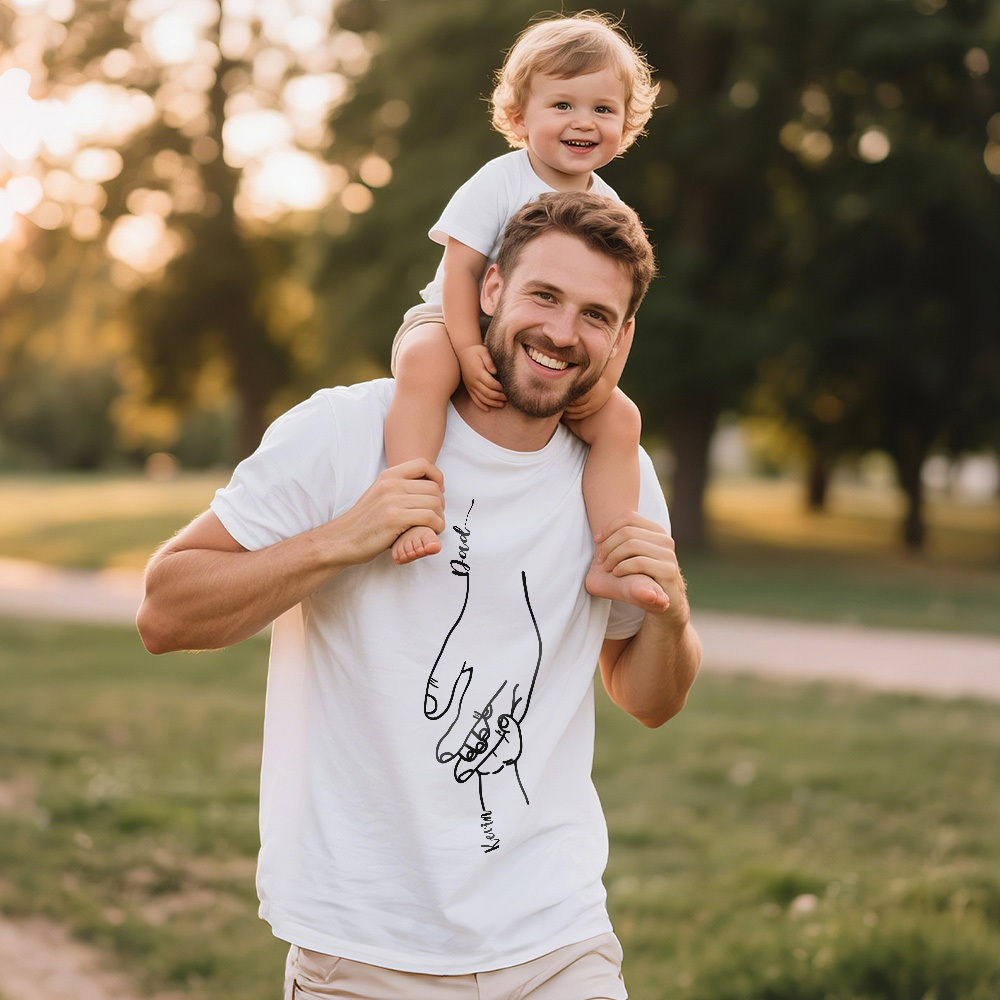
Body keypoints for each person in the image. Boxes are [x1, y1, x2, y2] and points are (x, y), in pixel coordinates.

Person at [137, 191, 701, 1000]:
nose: (562, 332)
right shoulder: (345, 432)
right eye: (544, 296)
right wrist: (344, 538)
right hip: (365, 951)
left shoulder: (619, 477)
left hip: (558, 939)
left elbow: (649, 700)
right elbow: (164, 611)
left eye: (595, 315)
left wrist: (670, 613)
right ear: (491, 288)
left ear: (623, 337)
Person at [385, 12, 667, 615]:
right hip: (453, 320)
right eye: (562, 105)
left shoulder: (611, 209)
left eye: (603, 109)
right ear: (519, 117)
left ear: (625, 124)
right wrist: (468, 348)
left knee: (621, 421)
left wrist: (604, 384)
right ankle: (407, 504)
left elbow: (620, 311)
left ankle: (612, 556)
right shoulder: (498, 181)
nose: (583, 122)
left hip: (543, 347)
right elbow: (462, 274)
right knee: (426, 365)